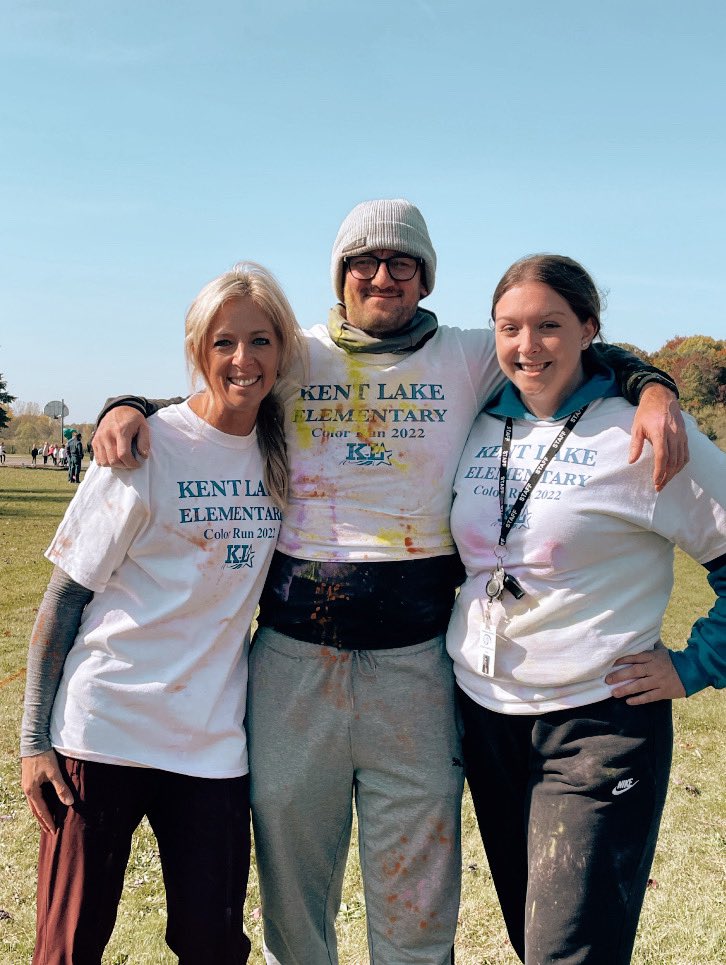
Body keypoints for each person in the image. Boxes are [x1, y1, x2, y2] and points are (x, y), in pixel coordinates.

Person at [92, 201, 687, 965]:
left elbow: (578, 351)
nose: (382, 276)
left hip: (414, 662)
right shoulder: (294, 351)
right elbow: (216, 389)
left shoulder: (469, 354)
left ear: (425, 275)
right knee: (293, 879)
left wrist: (655, 386)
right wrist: (128, 404)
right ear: (339, 275)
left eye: (401, 262)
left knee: (417, 884)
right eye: (362, 262)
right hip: (293, 660)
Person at [20, 262, 305, 965]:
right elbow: (64, 599)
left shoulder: (287, 448)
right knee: (69, 945)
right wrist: (33, 738)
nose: (244, 360)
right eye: (224, 343)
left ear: (283, 351)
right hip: (103, 730)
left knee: (212, 942)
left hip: (210, 744)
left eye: (261, 341)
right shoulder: (144, 446)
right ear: (198, 350)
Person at [446, 254, 725, 965]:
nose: (527, 344)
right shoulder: (479, 423)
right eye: (510, 327)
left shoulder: (645, 431)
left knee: (568, 950)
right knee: (530, 931)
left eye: (549, 325)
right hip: (488, 718)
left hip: (597, 724)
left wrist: (696, 665)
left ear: (589, 330)